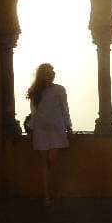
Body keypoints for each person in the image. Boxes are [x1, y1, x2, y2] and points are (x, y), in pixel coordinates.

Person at [26, 63, 73, 206]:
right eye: (47, 72)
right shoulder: (35, 92)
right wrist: (31, 129)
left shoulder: (59, 89)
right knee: (45, 163)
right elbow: (34, 113)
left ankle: (51, 190)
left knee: (52, 161)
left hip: (56, 130)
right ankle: (47, 195)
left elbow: (65, 109)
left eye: (52, 72)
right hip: (41, 130)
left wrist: (69, 127)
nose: (51, 74)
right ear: (42, 75)